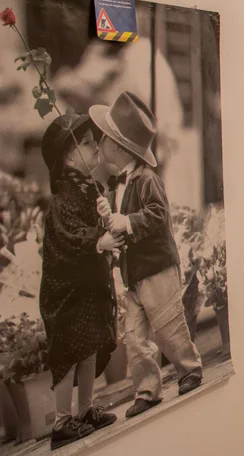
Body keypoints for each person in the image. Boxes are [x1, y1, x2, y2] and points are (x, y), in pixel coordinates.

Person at [91, 92, 203, 419]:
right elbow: (120, 223)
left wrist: (127, 221)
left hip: (156, 267)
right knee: (134, 336)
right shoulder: (118, 185)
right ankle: (146, 389)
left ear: (118, 146)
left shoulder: (146, 179)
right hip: (134, 272)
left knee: (168, 324)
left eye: (105, 138)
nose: (101, 143)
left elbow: (158, 213)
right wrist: (109, 217)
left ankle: (189, 368)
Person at [39, 113, 120, 450]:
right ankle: (61, 422)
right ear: (69, 158)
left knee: (89, 347)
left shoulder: (88, 192)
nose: (95, 147)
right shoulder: (63, 200)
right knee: (69, 353)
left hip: (87, 290)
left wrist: (105, 218)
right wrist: (98, 240)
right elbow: (70, 235)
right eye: (86, 144)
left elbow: (95, 228)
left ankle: (85, 409)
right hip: (67, 294)